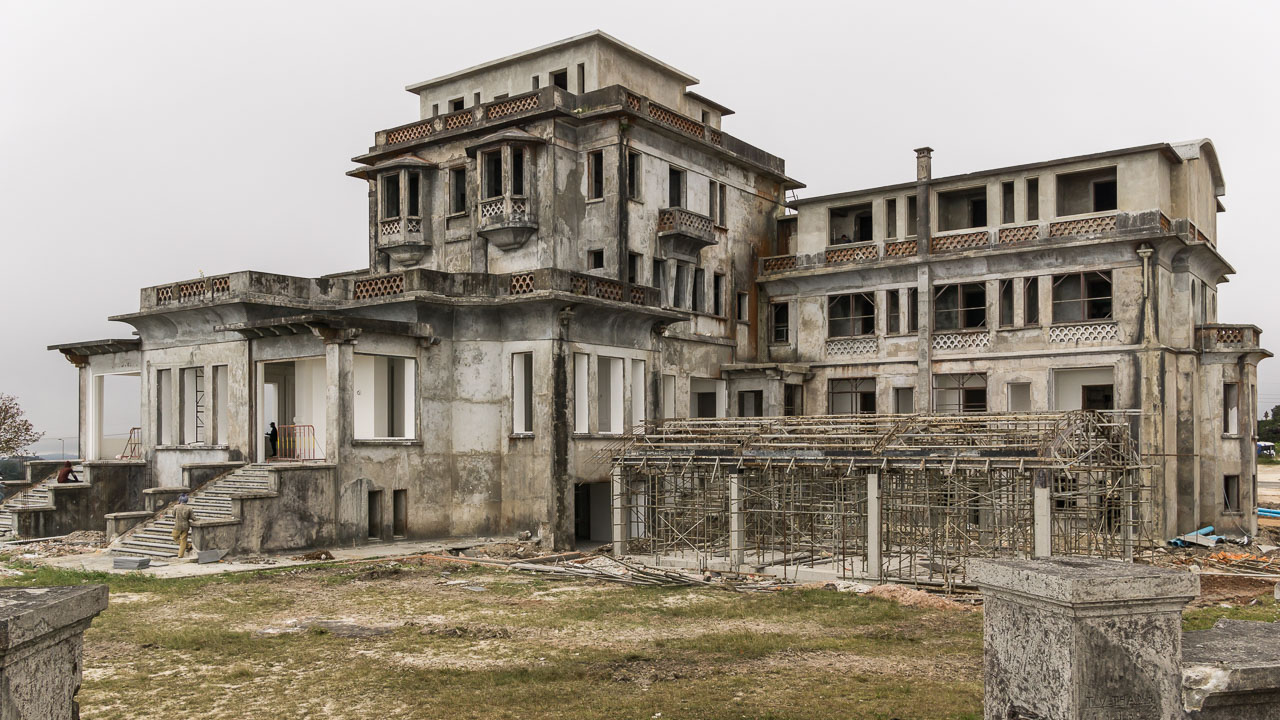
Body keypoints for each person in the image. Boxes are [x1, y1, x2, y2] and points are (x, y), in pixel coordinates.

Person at [172, 494, 195, 559]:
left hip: (177, 525)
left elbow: (173, 515)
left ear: (180, 500)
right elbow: (193, 517)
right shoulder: (189, 508)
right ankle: (188, 546)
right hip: (186, 526)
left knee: (175, 537)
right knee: (183, 540)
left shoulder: (176, 507)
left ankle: (181, 554)